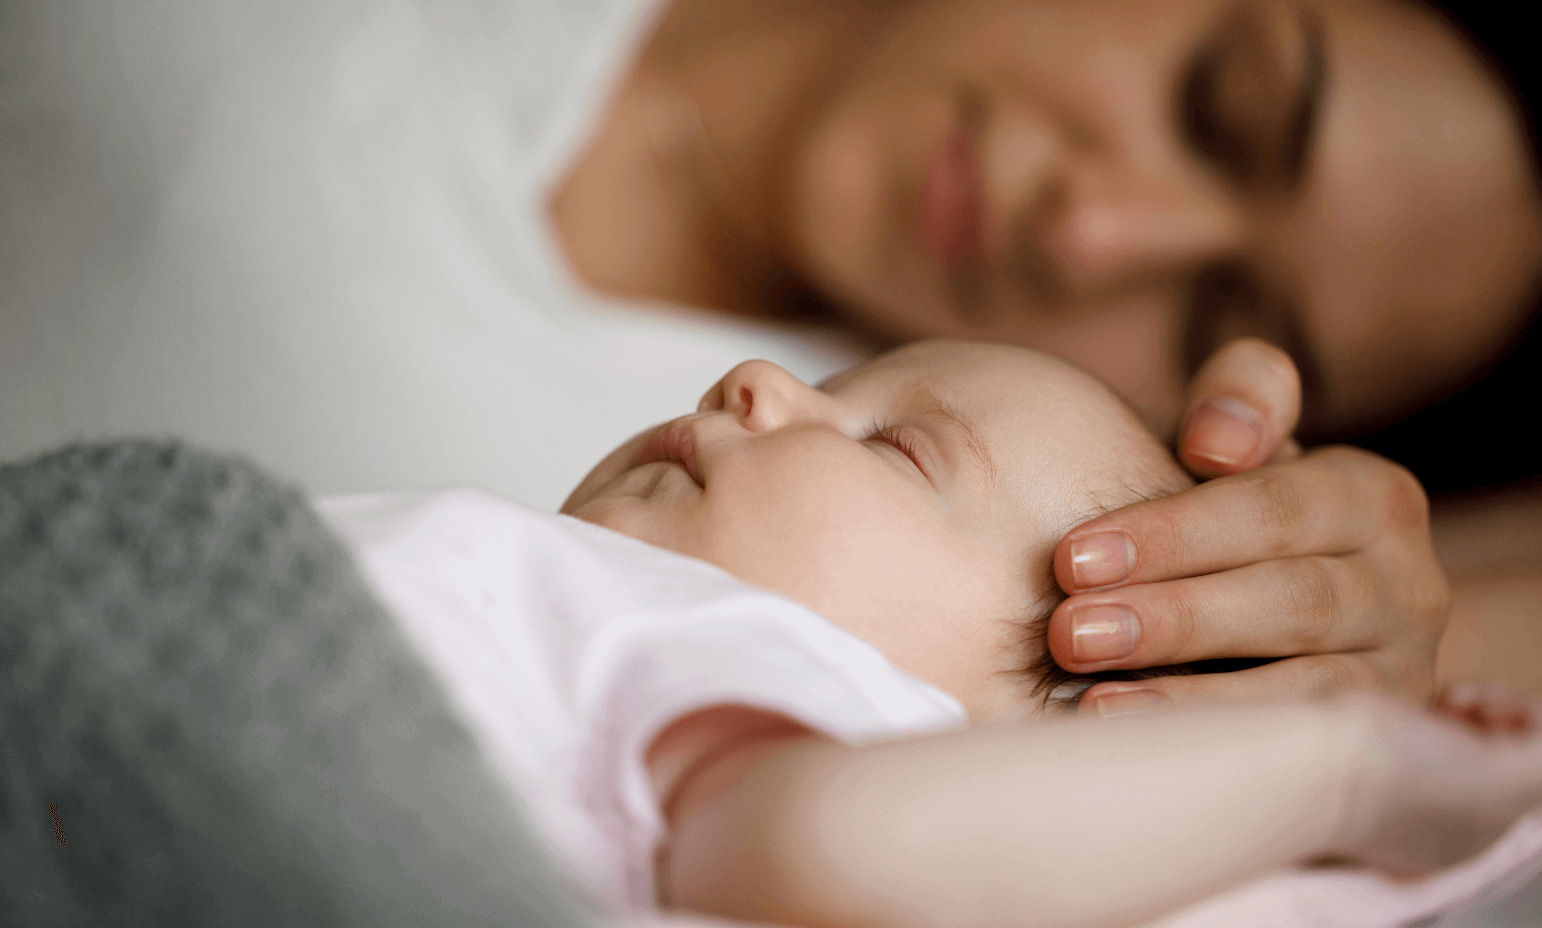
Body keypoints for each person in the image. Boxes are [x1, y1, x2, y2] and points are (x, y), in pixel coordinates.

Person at [0, 0, 1523, 718]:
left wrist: (1360, 646)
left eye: (1205, 316)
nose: (1098, 229)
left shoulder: (820, 584)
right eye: (1220, 101)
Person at [320, 338, 1542, 928]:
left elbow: (813, 837)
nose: (751, 380)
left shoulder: (792, 681)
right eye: (830, 384)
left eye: (895, 446)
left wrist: (1347, 766)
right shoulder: (565, 602)